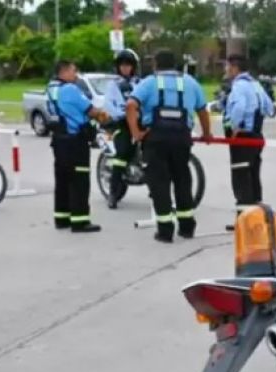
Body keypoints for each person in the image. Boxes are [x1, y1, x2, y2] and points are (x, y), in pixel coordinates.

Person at [126, 50, 212, 243]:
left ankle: (165, 230)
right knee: (183, 181)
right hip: (181, 139)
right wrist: (206, 133)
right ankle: (187, 227)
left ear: (156, 64)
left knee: (159, 184)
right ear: (175, 64)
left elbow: (131, 105)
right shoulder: (190, 82)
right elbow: (202, 110)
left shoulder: (148, 83)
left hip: (155, 139)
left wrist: (135, 133)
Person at [48, 59, 111, 233]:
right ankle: (80, 221)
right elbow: (90, 110)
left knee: (62, 180)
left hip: (59, 140)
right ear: (64, 72)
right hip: (75, 141)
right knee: (79, 181)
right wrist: (104, 117)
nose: (75, 75)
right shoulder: (71, 89)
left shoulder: (51, 89)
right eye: (73, 71)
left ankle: (62, 218)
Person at [221, 54, 276, 231]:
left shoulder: (239, 86)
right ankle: (257, 219)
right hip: (256, 137)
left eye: (227, 66)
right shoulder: (256, 85)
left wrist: (234, 127)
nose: (226, 70)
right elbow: (271, 109)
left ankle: (244, 223)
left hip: (242, 138)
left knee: (241, 179)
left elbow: (239, 107)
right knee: (253, 177)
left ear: (234, 67)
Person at [104, 48, 140, 209]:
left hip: (140, 121)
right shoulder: (113, 84)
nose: (125, 68)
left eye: (128, 65)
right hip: (121, 123)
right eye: (122, 65)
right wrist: (122, 114)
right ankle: (112, 193)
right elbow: (108, 105)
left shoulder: (139, 83)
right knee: (122, 153)